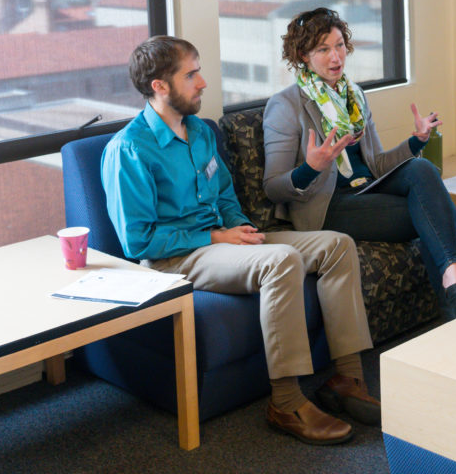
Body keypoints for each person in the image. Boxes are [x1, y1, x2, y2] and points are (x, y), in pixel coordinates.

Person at [102, 36, 379, 446]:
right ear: (159, 86)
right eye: (191, 74)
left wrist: (241, 231)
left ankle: (347, 377)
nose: (203, 83)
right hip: (177, 258)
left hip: (223, 243)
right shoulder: (129, 150)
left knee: (336, 244)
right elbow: (138, 242)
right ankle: (285, 402)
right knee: (281, 260)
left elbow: (226, 197)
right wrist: (217, 236)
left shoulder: (200, 132)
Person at [262, 8, 456, 320]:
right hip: (328, 205)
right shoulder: (285, 106)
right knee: (435, 216)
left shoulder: (353, 96)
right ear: (302, 55)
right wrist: (312, 167)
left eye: (338, 46)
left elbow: (377, 165)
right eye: (323, 49)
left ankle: (455, 290)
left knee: (422, 169)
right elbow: (273, 188)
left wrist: (416, 140)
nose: (335, 57)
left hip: (367, 190)